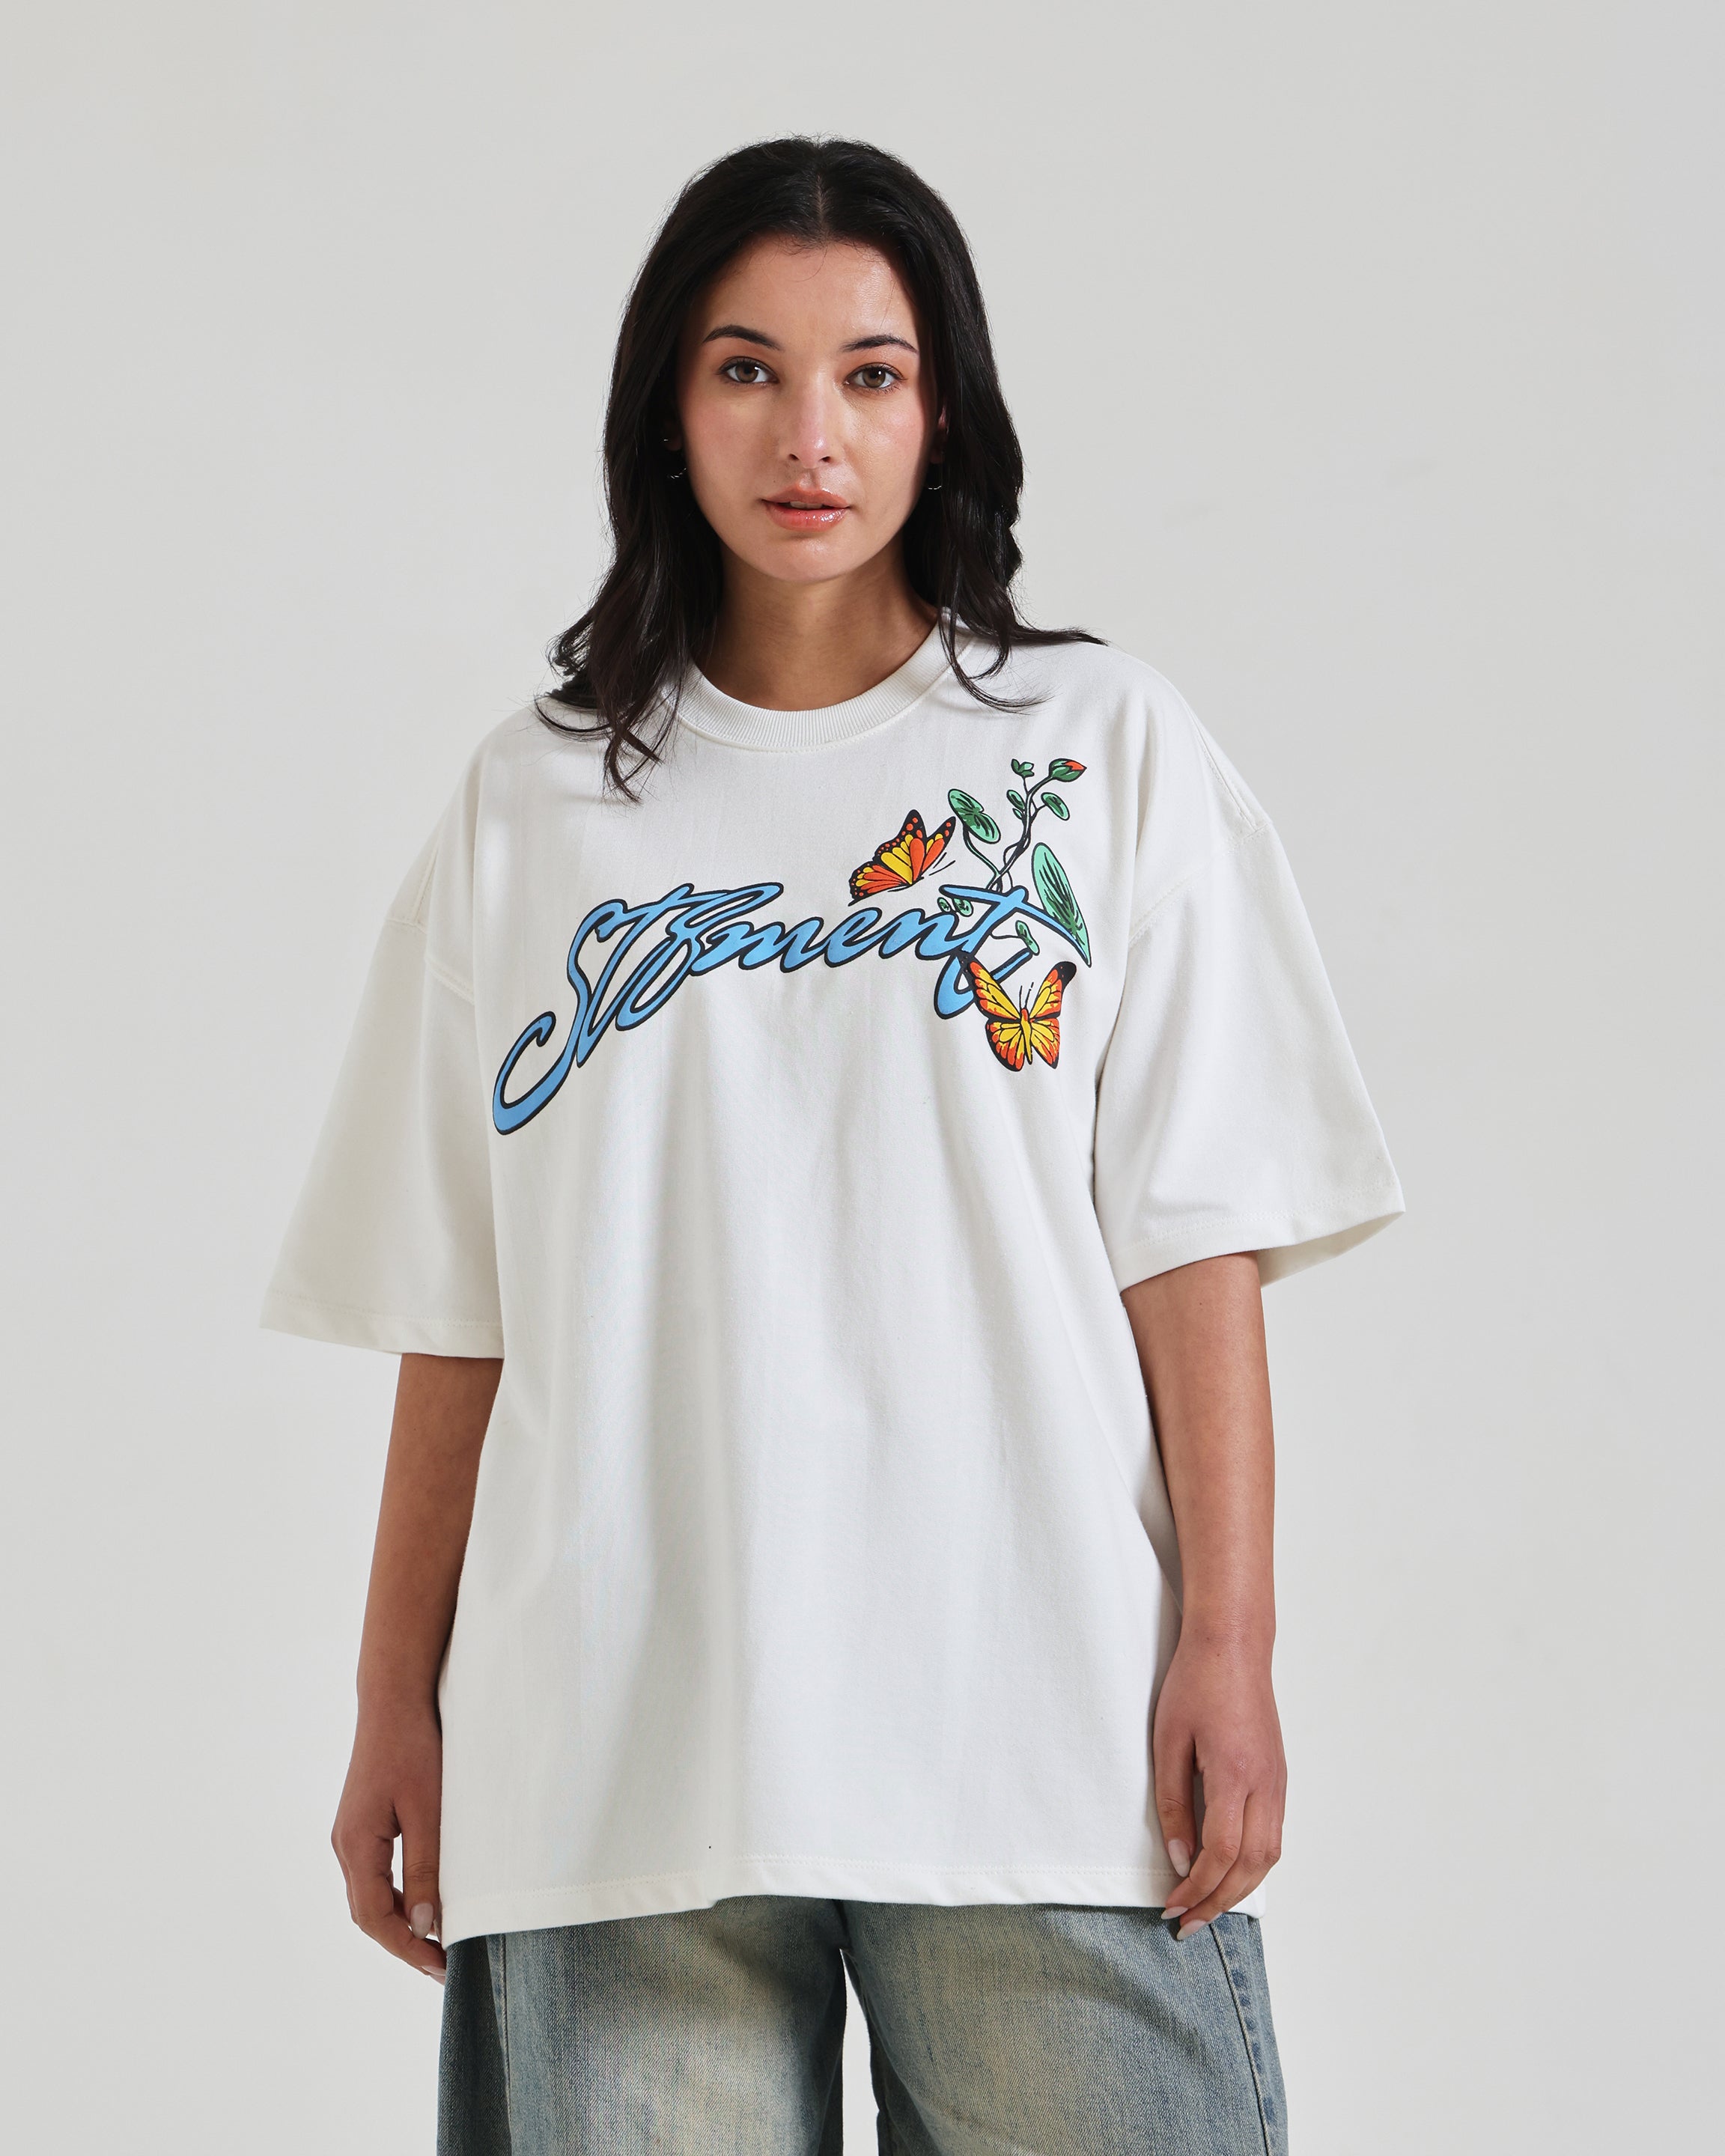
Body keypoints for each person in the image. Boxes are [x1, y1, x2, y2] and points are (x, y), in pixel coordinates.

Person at [264, 136, 1402, 2155]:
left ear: (942, 409)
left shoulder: (1093, 756)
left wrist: (1229, 1648)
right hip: (617, 1761)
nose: (811, 436)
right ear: (666, 409)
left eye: (872, 374)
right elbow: (462, 1301)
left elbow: (1194, 1245)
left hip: (1035, 1739)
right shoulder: (537, 807)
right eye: (747, 370)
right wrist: (392, 1700)